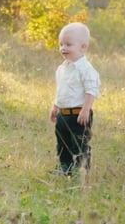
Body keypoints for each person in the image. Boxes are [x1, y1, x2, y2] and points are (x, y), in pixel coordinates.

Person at [49, 22, 100, 176]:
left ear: (82, 47)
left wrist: (85, 110)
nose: (63, 48)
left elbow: (91, 91)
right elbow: (61, 90)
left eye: (69, 44)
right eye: (61, 44)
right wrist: (55, 107)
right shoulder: (62, 69)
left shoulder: (86, 69)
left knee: (78, 142)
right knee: (62, 142)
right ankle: (65, 167)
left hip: (79, 114)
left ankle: (82, 167)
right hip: (63, 114)